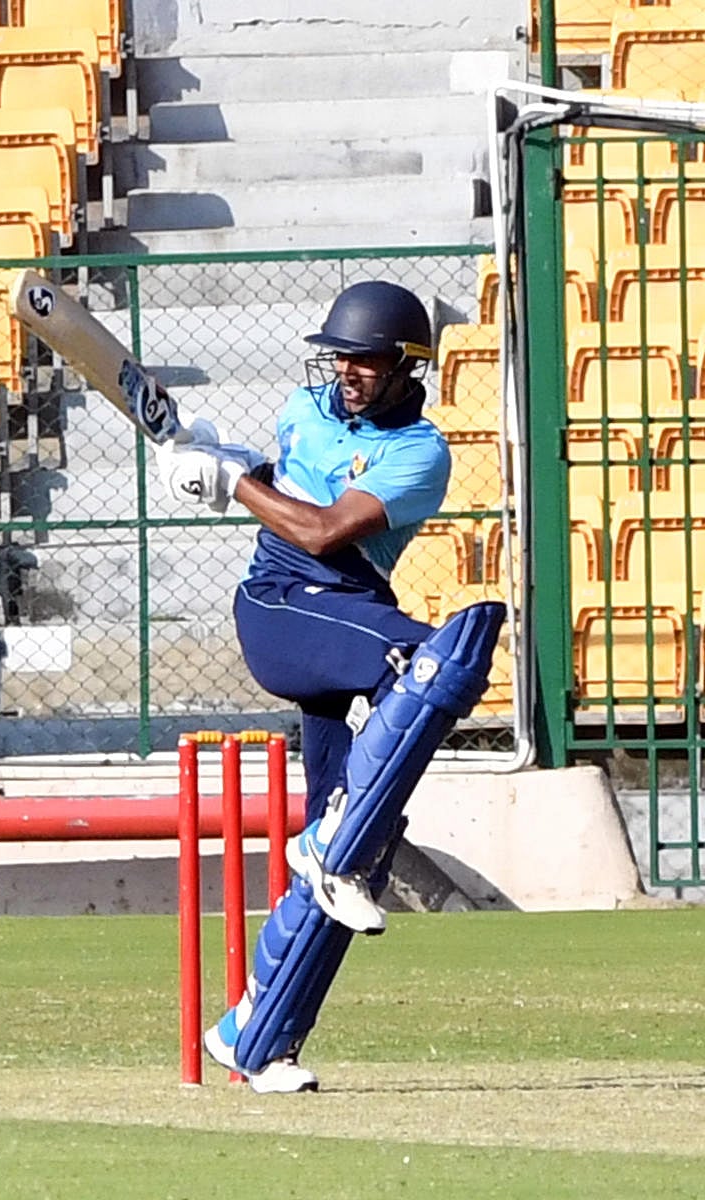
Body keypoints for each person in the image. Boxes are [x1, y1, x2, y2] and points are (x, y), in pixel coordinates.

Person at [161, 280, 504, 1093]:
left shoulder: (420, 451)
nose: (346, 369)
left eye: (364, 358)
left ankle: (258, 1035)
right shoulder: (301, 409)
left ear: (405, 365)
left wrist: (231, 483)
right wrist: (227, 460)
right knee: (430, 660)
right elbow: (288, 504)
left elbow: (323, 528)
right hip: (280, 608)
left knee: (351, 853)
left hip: (345, 603)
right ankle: (326, 848)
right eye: (339, 355)